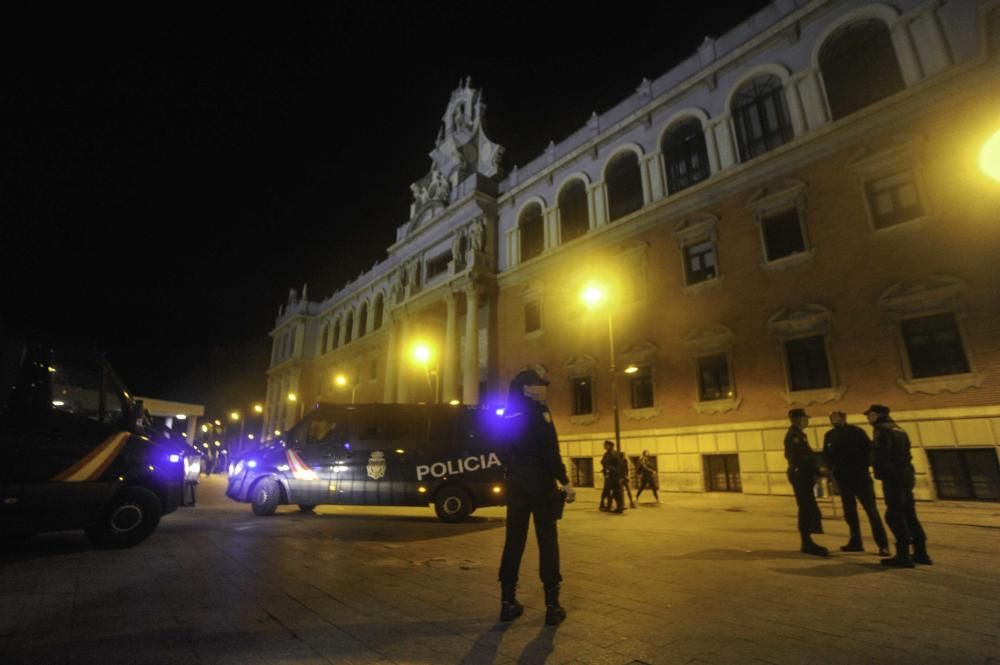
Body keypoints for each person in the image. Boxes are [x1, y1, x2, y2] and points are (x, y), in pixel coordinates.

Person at [498, 367, 576, 625]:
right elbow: (549, 449)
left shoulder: (507, 413)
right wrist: (565, 481)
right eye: (540, 384)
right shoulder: (539, 411)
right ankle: (552, 606)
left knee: (514, 540)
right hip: (539, 480)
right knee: (547, 539)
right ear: (528, 388)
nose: (544, 388)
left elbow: (497, 447)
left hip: (515, 480)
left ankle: (508, 602)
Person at [866, 404, 932, 568]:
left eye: (869, 415)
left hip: (893, 477)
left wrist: (879, 471)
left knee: (894, 515)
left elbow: (881, 453)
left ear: (876, 414)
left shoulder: (882, 430)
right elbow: (906, 453)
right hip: (905, 475)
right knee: (909, 513)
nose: (868, 418)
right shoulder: (899, 429)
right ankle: (921, 552)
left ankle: (903, 555)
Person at [823, 411, 890, 556]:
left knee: (871, 511)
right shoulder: (829, 435)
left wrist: (862, 466)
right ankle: (855, 541)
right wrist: (832, 471)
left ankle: (883, 545)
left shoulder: (856, 432)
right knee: (850, 512)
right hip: (843, 478)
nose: (833, 420)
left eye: (836, 418)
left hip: (860, 477)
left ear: (844, 418)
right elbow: (827, 456)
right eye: (831, 418)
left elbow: (869, 451)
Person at [784, 408, 827, 556]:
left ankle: (808, 540)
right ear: (796, 420)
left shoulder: (799, 434)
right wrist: (817, 468)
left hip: (802, 474)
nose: (806, 421)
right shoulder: (794, 436)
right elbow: (801, 457)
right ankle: (806, 541)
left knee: (808, 506)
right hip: (800, 474)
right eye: (804, 418)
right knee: (806, 507)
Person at [599, 440, 624, 513]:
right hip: (609, 475)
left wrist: (610, 468)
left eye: (605, 445)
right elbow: (603, 462)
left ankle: (619, 507)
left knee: (615, 491)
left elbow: (620, 464)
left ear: (609, 446)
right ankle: (611, 506)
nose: (604, 446)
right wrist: (605, 469)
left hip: (614, 476)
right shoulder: (607, 454)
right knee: (609, 491)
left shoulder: (613, 454)